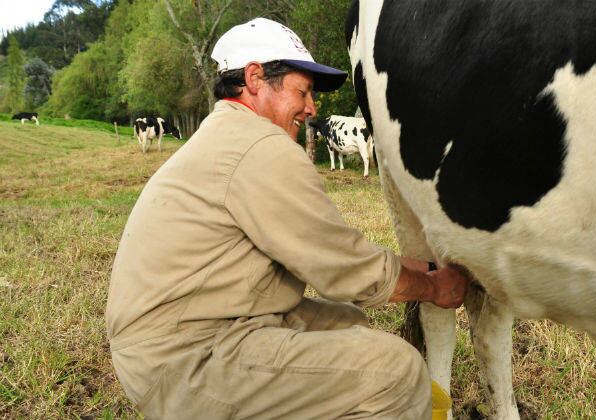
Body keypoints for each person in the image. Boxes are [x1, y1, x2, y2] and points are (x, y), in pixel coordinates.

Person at [105, 17, 470, 420]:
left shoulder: (227, 135)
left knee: (346, 321)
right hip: (183, 359)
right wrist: (434, 287)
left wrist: (425, 266)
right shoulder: (260, 147)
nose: (312, 108)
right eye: (304, 90)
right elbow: (346, 270)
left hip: (183, 332)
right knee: (395, 371)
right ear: (255, 78)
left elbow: (335, 255)